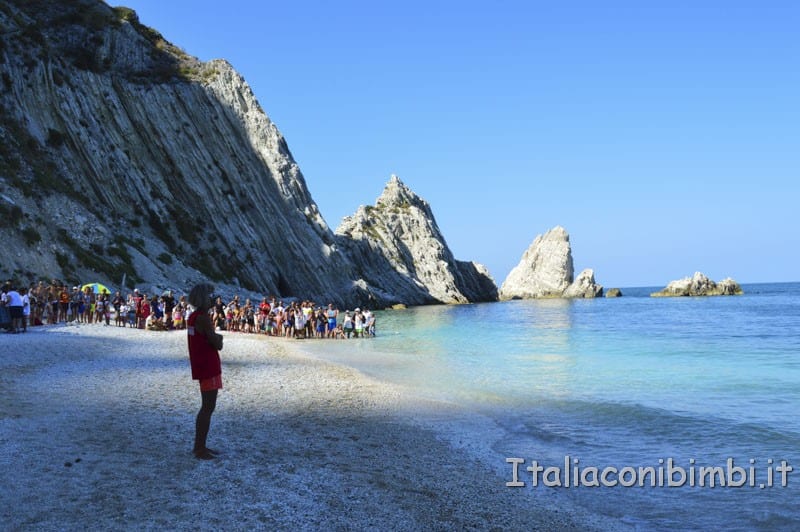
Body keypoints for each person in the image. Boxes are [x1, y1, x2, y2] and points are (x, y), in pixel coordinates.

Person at [187, 283, 224, 460]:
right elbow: (216, 343)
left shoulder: (193, 317)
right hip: (208, 364)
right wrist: (220, 338)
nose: (213, 299)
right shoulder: (203, 317)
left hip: (201, 363)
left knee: (207, 407)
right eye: (210, 296)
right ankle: (199, 448)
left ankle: (200, 446)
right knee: (208, 407)